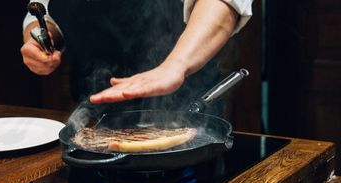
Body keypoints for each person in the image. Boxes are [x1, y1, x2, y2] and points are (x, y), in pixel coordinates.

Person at [21, 0, 253, 111]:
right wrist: (39, 40)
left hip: (184, 117)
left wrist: (176, 65)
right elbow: (43, 10)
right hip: (91, 123)